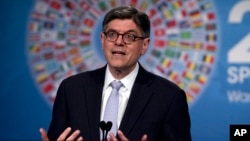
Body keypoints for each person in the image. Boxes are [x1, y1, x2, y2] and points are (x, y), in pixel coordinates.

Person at [39, 5, 191, 141]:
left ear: (144, 45)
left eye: (129, 36)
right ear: (102, 40)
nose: (119, 42)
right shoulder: (71, 89)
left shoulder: (169, 97)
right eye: (112, 34)